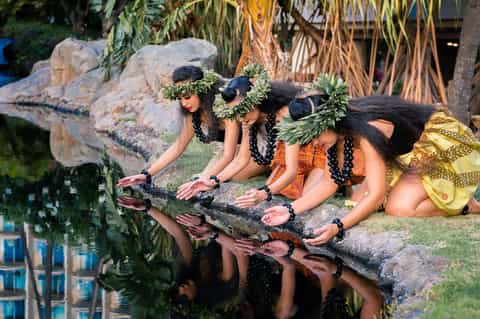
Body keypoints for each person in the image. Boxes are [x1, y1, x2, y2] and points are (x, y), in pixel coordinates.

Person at [262, 74, 480, 245]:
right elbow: (330, 182)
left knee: (398, 208)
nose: (315, 143)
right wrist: (290, 210)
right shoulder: (341, 131)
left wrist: (338, 226)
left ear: (328, 123)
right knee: (357, 201)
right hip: (406, 152)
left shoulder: (368, 131)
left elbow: (375, 195)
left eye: (315, 136)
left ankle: (467, 206)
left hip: (434, 144)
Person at [176, 64, 302, 201]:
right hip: (276, 153)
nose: (240, 119)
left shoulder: (285, 114)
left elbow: (291, 170)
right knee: (238, 174)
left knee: (283, 186)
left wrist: (263, 193)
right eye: (236, 114)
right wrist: (211, 182)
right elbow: (241, 160)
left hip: (304, 152)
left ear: (256, 100)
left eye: (242, 111)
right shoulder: (248, 120)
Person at [117, 65, 240, 191]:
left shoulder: (224, 107)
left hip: (252, 148)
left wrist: (205, 179)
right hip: (233, 152)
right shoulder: (193, 113)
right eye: (180, 98)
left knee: (234, 175)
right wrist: (146, 175)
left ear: (202, 91)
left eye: (187, 97)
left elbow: (228, 155)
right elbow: (178, 146)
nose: (184, 103)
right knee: (207, 178)